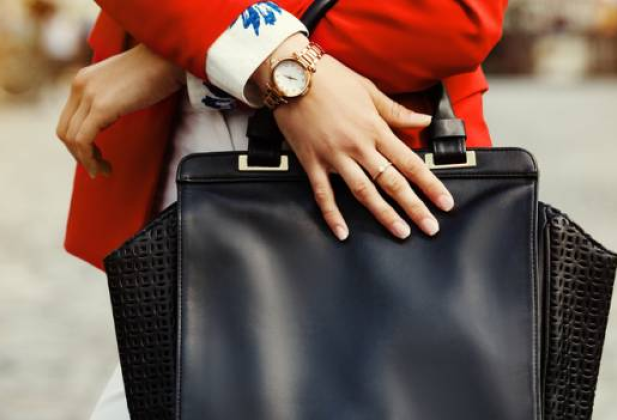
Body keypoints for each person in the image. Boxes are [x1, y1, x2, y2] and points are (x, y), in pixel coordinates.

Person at [55, 1, 506, 418]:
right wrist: (250, 52)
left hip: (378, 188)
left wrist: (234, 51)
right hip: (190, 184)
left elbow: (452, 14)